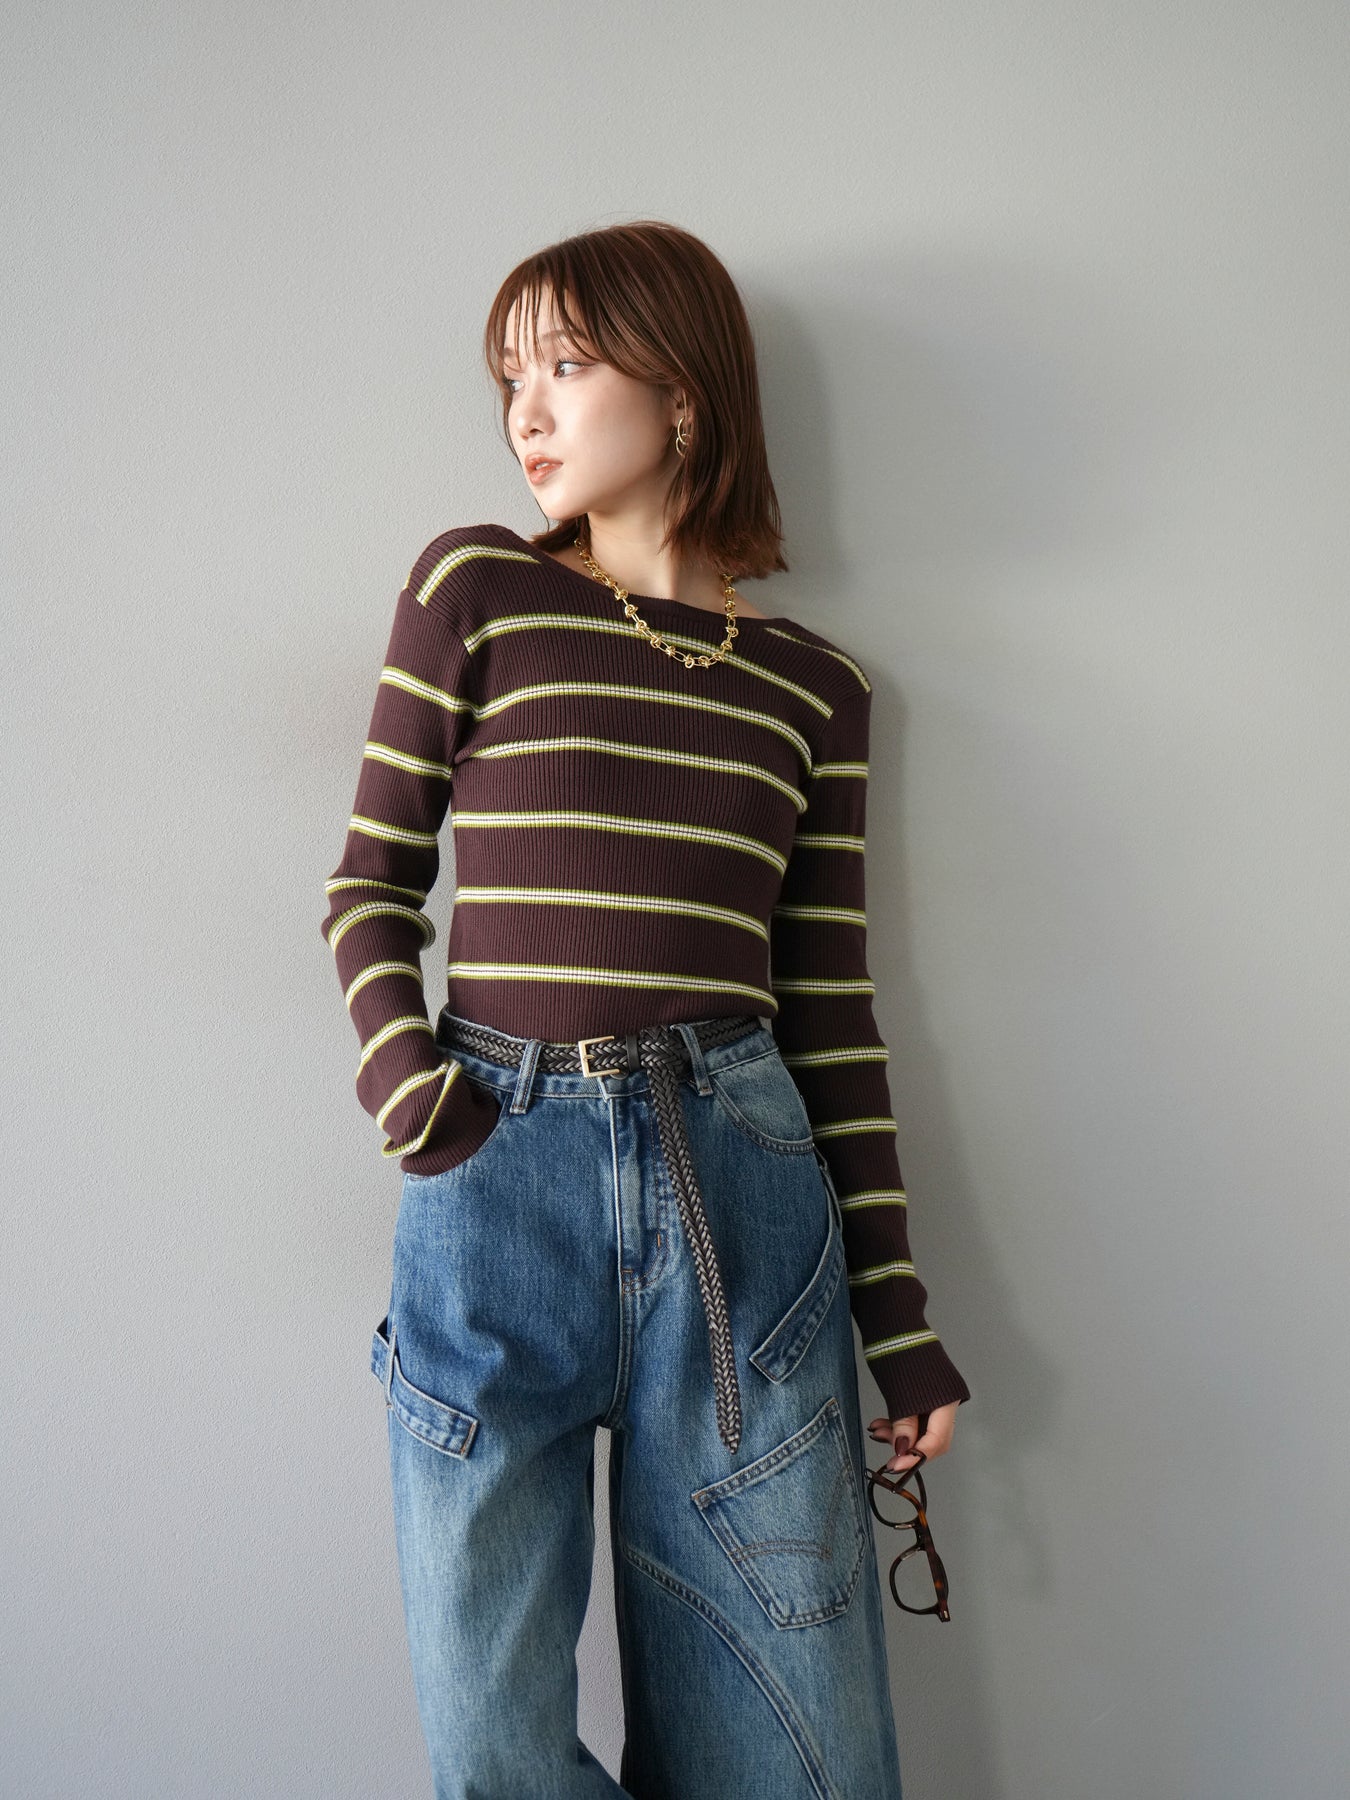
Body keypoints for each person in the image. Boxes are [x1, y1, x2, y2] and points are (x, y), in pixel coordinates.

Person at [321, 219, 971, 1799]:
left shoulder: (812, 690)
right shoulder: (477, 586)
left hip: (744, 1194)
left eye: (564, 364)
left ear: (680, 391)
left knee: (789, 1745)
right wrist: (419, 1099)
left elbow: (829, 1013)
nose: (526, 411)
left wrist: (901, 1329)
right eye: (507, 378)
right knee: (494, 1747)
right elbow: (368, 885)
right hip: (497, 1177)